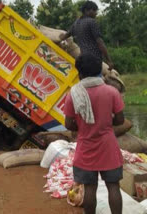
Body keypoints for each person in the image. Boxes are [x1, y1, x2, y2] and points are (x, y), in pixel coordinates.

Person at [64, 53, 124, 214]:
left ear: (79, 73)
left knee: (89, 189)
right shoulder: (112, 92)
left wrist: (84, 125)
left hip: (86, 148)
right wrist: (104, 122)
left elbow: (68, 124)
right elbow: (120, 120)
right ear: (99, 70)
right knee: (113, 187)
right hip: (108, 147)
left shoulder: (73, 94)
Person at [59, 1, 114, 71]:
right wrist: (109, 60)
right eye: (93, 10)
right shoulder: (92, 22)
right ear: (86, 10)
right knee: (96, 79)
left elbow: (66, 35)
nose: (96, 13)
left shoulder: (76, 23)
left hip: (84, 59)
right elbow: (100, 42)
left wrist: (60, 37)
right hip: (94, 59)